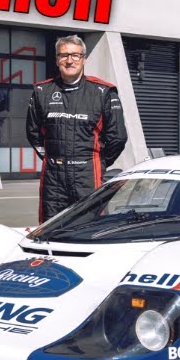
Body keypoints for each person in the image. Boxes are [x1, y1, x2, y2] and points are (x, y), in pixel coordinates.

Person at [26, 35, 127, 223]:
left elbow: (118, 137)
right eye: (64, 55)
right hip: (53, 176)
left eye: (75, 55)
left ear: (84, 59)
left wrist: (99, 162)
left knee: (88, 227)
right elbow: (33, 132)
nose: (69, 60)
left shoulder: (103, 92)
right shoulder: (42, 91)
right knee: (50, 228)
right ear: (57, 59)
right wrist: (50, 157)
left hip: (88, 174)